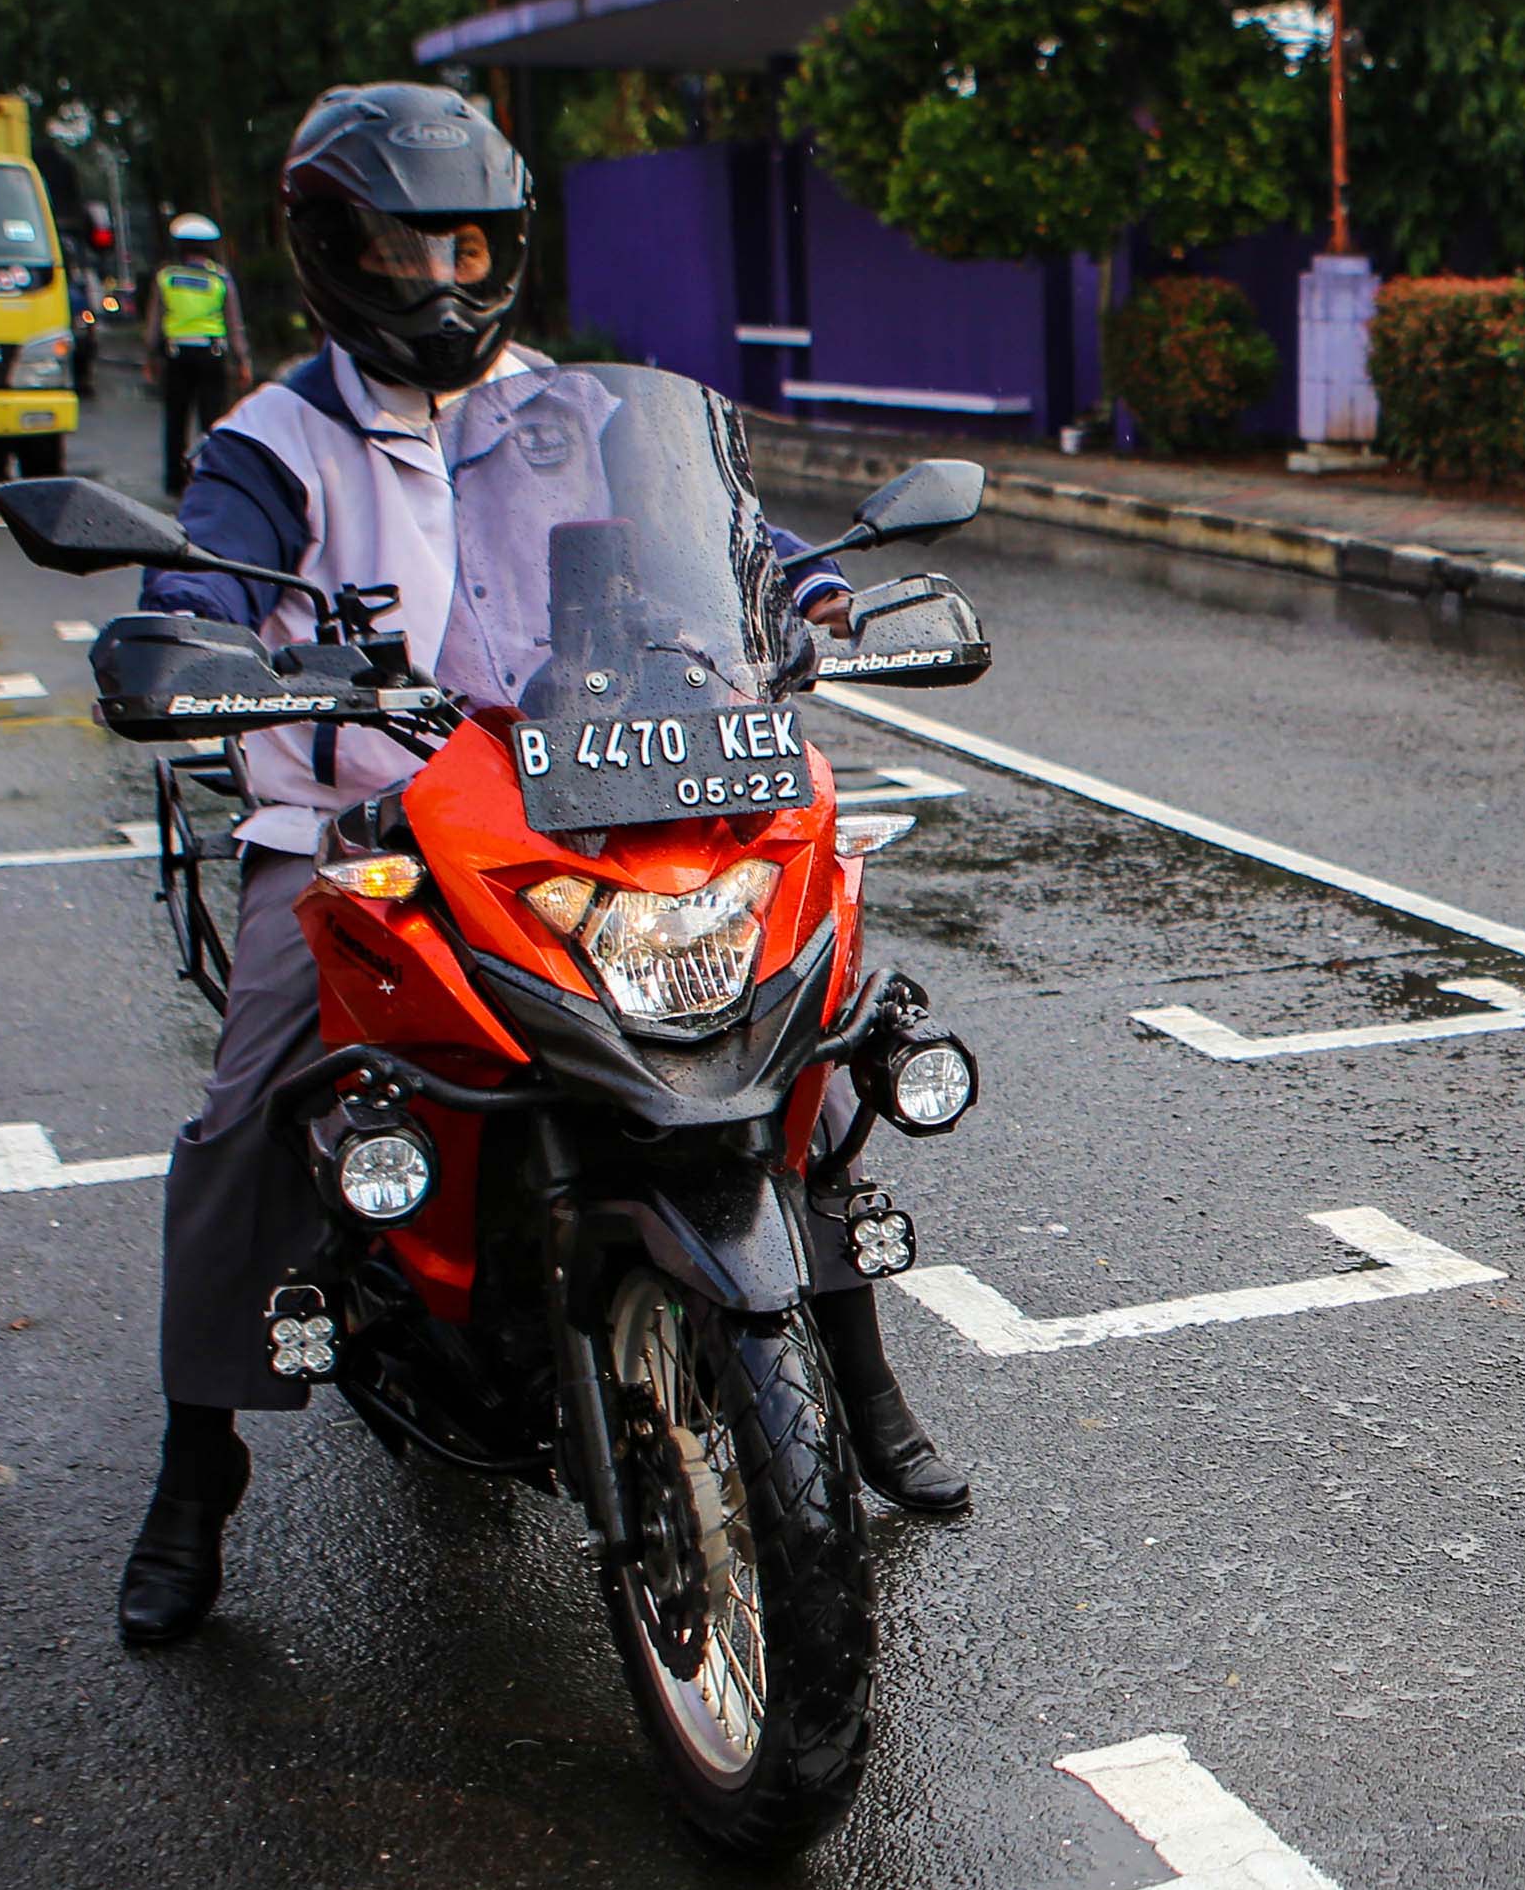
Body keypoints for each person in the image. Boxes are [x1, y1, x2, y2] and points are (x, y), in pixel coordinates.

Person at [114, 81, 969, 1651]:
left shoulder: (575, 413)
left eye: (466, 247)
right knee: (252, 1109)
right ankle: (195, 1465)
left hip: (593, 799)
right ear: (331, 249)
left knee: (807, 1035)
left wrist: (816, 601)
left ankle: (855, 1371)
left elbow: (742, 543)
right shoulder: (272, 440)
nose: (440, 280)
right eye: (404, 248)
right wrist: (195, 641)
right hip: (366, 831)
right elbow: (198, 590)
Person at [149, 215, 251, 496]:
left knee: (175, 420)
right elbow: (234, 324)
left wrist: (151, 357)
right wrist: (242, 361)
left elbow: (155, 321)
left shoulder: (166, 277)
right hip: (211, 355)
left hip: (176, 355)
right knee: (212, 420)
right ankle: (212, 476)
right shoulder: (220, 278)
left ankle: (174, 481)